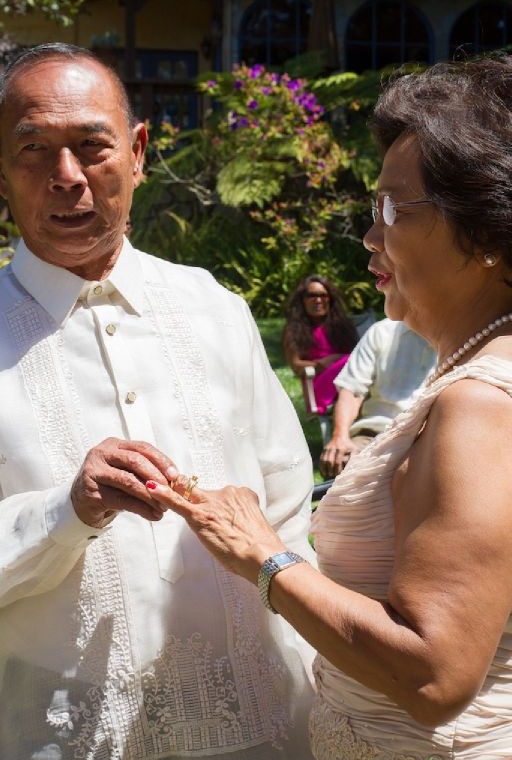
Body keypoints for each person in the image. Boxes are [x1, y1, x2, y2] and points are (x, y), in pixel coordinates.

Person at [146, 55, 512, 758]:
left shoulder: (480, 403)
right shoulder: (474, 373)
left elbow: (434, 674)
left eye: (392, 211)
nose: (371, 237)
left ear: (489, 230)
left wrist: (265, 557)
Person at [0, 44, 317, 759]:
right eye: (33, 151)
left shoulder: (214, 307)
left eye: (91, 146)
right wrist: (65, 511)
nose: (67, 178)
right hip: (60, 736)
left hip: (262, 727)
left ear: (138, 153)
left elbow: (290, 506)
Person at [319, 318, 436, 478]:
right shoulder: (382, 331)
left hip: (428, 442)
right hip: (373, 435)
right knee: (340, 460)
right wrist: (340, 437)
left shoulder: (462, 338)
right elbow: (352, 390)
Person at [283, 275, 358, 415]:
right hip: (319, 387)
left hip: (348, 378)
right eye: (312, 295)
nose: (318, 300)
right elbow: (295, 365)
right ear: (302, 300)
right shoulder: (294, 329)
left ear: (330, 298)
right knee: (354, 359)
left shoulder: (341, 326)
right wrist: (324, 363)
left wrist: (338, 360)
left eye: (323, 295)